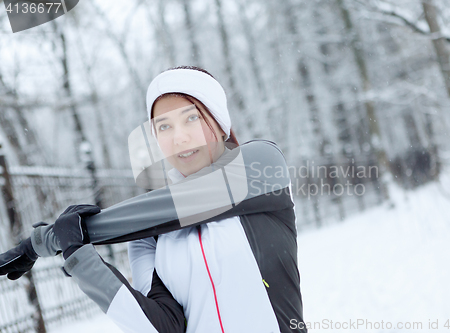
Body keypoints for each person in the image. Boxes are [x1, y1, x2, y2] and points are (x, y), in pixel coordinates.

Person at [0, 66, 307, 333]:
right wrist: (79, 257)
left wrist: (45, 240)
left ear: (220, 122)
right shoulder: (150, 237)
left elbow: (177, 205)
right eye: (164, 127)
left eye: (191, 118)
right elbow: (161, 327)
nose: (179, 137)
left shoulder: (261, 167)